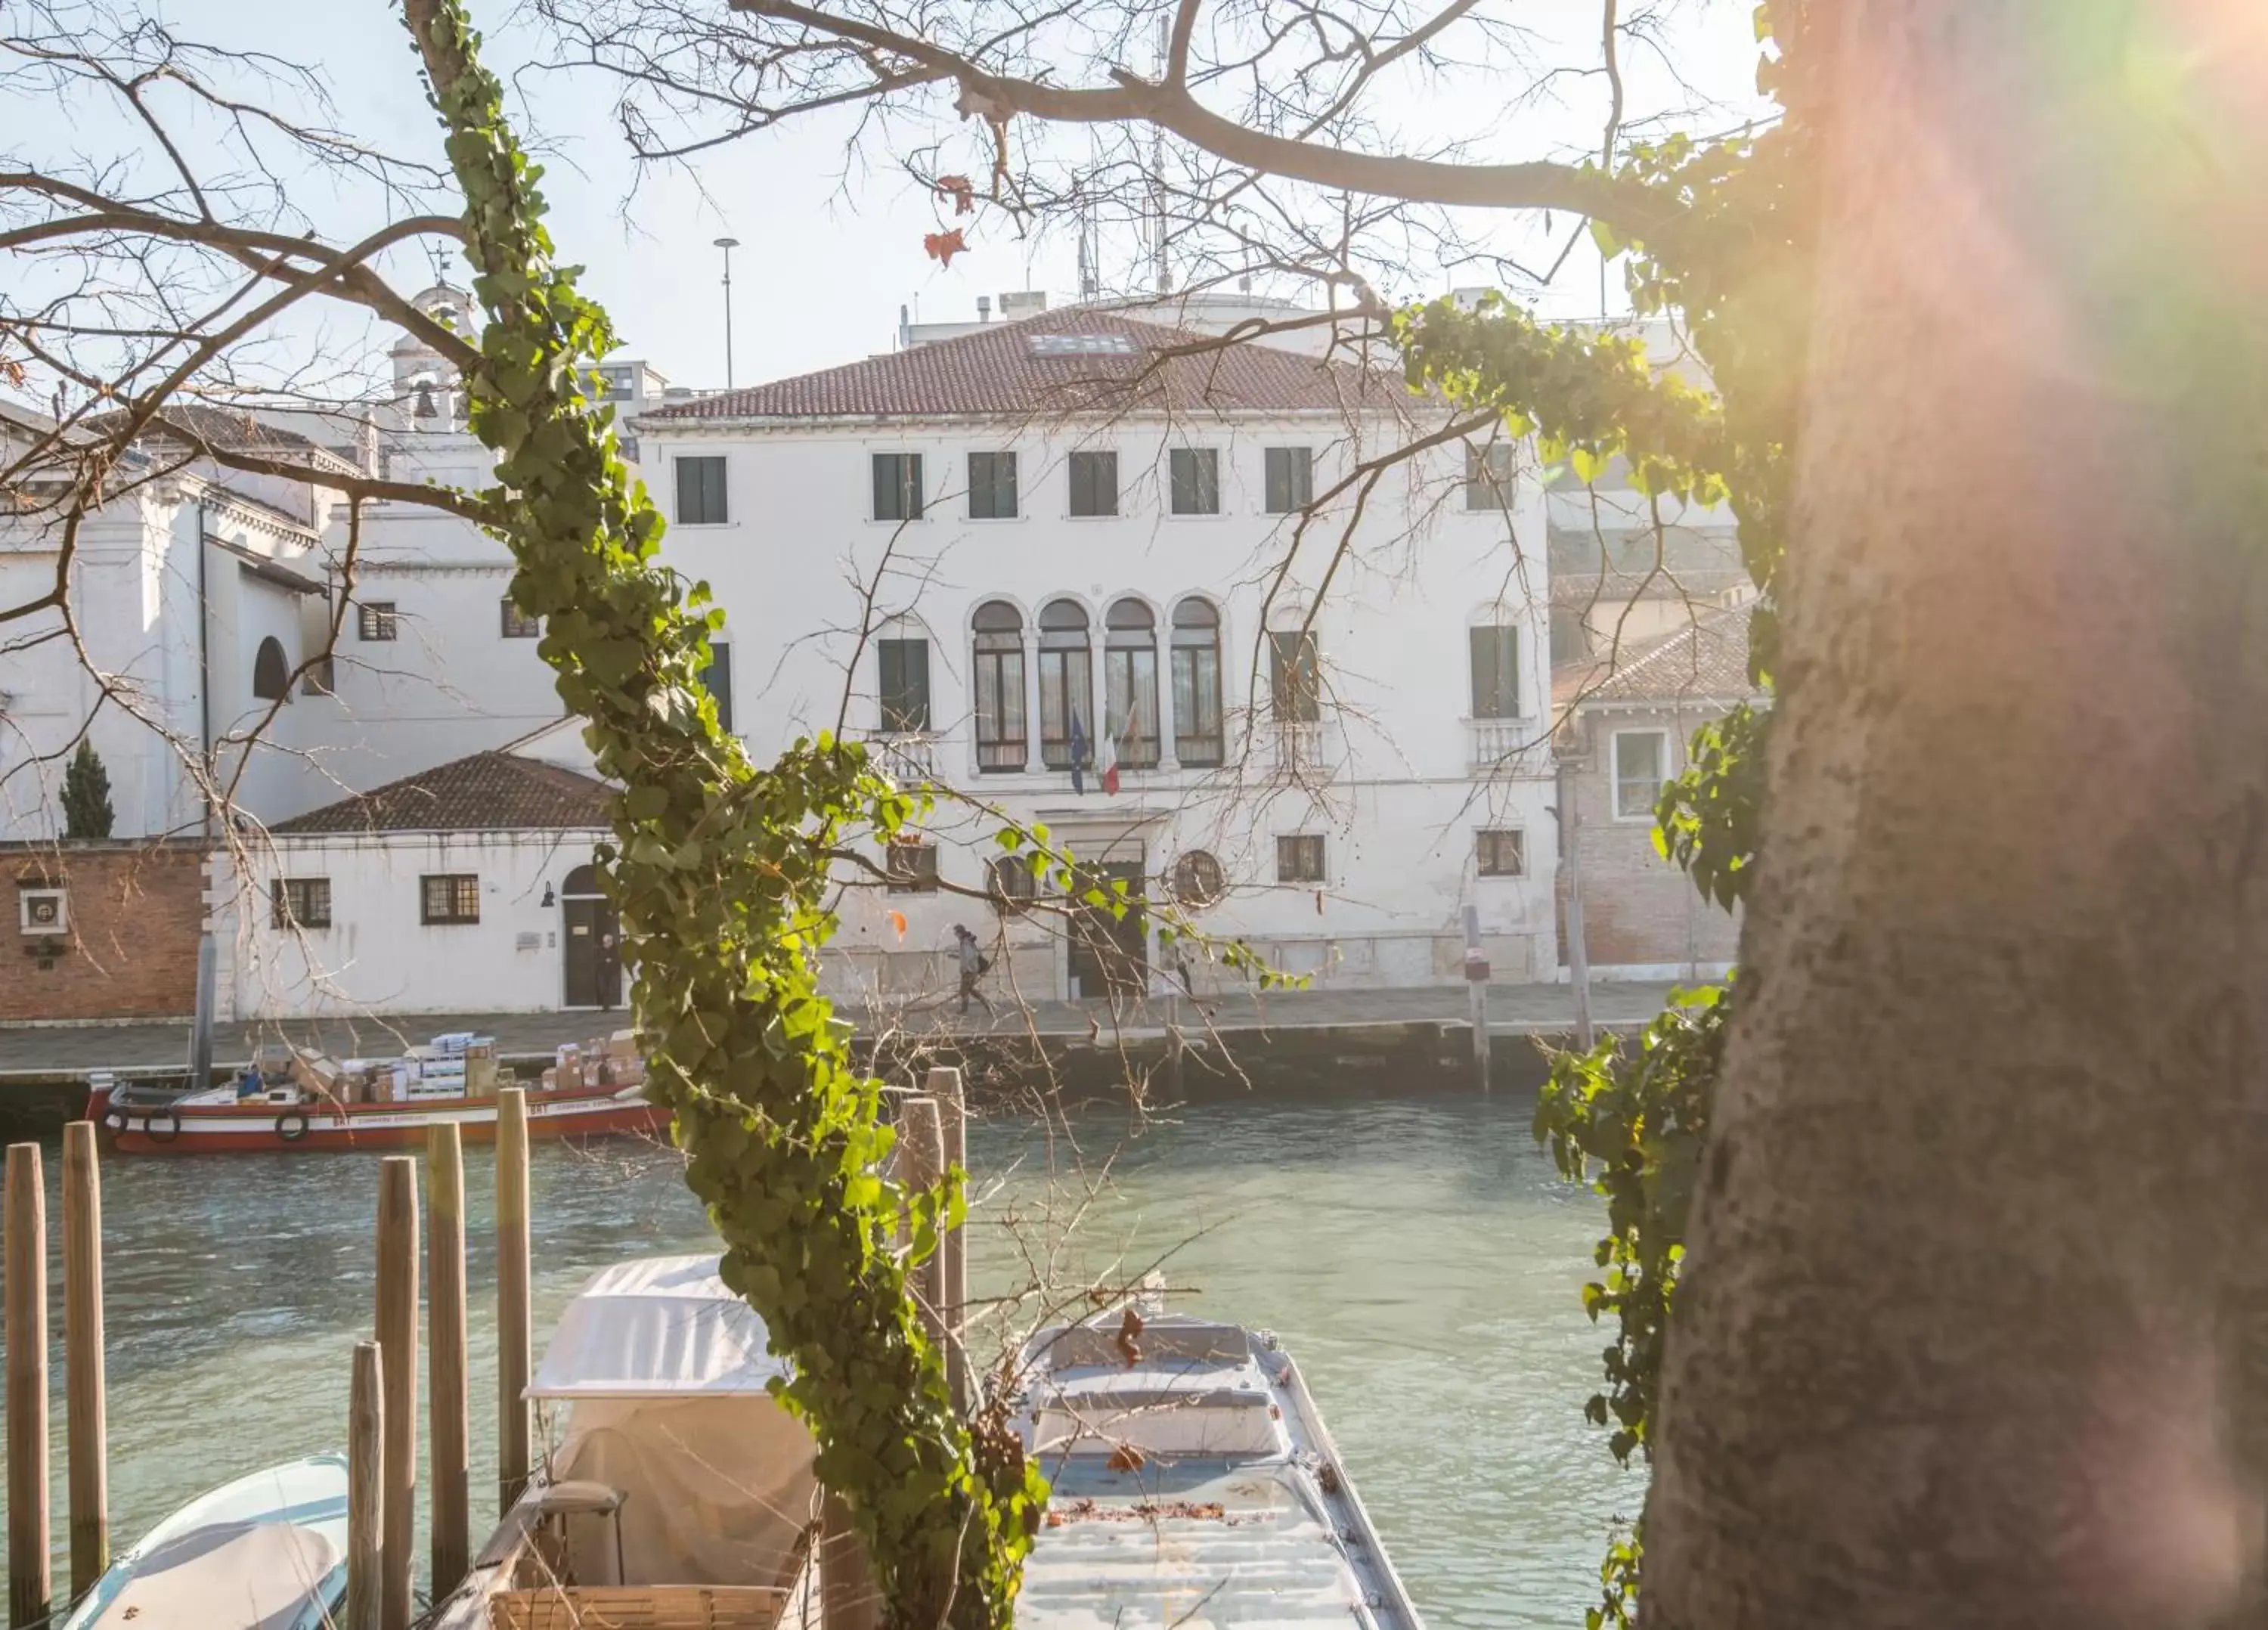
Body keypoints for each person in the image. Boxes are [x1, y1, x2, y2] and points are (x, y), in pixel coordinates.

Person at [953, 924, 993, 1017]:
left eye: (956, 933)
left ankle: (964, 1010)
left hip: (969, 971)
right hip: (971, 970)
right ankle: (987, 1004)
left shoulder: (966, 943)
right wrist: (956, 957)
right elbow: (966, 957)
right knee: (971, 990)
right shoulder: (967, 942)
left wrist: (967, 969)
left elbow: (969, 957)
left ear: (960, 933)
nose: (956, 935)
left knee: (964, 991)